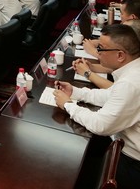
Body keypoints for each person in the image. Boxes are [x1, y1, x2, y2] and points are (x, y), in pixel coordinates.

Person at [53, 24, 140, 189]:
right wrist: (75, 92)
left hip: (132, 164)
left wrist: (68, 105)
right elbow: (109, 96)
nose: (97, 52)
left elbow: (100, 125)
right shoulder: (133, 70)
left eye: (101, 48)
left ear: (120, 55)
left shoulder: (131, 83)